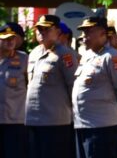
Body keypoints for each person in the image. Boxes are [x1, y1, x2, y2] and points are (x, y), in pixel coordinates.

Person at [25, 14, 80, 158]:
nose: (42, 32)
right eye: (39, 29)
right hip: (33, 119)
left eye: (46, 29)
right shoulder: (34, 53)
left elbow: (73, 86)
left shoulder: (65, 55)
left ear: (58, 32)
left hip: (55, 121)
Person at [72, 16, 117, 158]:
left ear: (102, 33)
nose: (84, 36)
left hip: (101, 126)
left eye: (88, 32)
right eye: (83, 32)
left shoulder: (112, 56)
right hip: (82, 124)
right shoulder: (86, 55)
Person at [0, 22, 29, 158]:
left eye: (12, 38)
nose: (10, 41)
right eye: (6, 38)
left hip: (15, 123)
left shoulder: (24, 59)